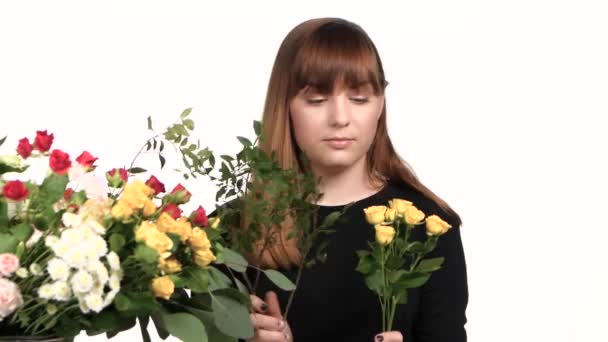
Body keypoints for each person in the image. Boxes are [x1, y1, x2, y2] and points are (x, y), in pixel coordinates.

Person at [233, 17, 468, 342]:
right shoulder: (232, 230)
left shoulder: (429, 227)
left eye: (359, 99)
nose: (340, 118)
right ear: (284, 106)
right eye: (316, 100)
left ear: (380, 106)